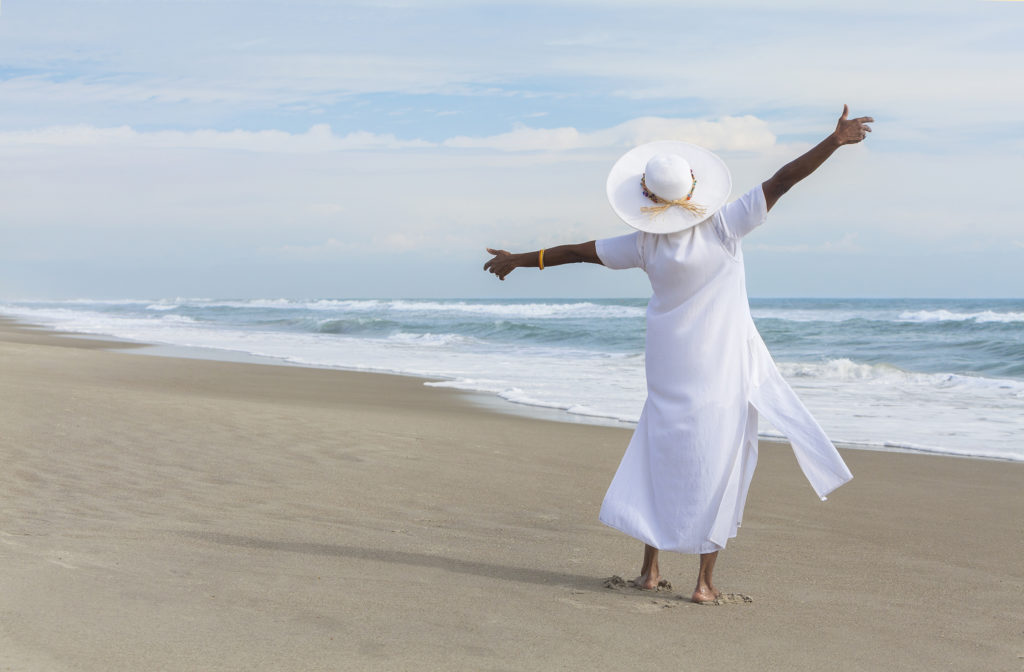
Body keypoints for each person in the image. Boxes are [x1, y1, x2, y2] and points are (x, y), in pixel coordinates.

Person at [484, 105, 872, 603]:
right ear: (693, 185)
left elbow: (578, 252)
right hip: (722, 368)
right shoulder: (724, 227)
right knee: (721, 463)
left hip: (668, 366)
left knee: (659, 455)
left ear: (647, 197)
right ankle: (704, 584)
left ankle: (650, 570)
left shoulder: (644, 243)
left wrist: (521, 259)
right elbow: (783, 180)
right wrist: (834, 141)